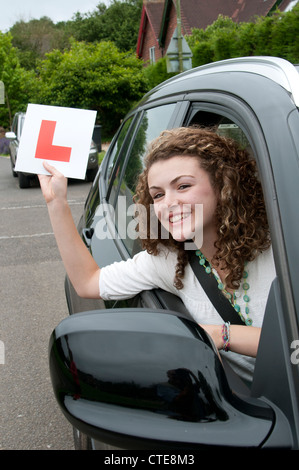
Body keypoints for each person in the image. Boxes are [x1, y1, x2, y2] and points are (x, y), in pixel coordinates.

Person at [38, 127, 276, 383]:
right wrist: (56, 204)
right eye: (158, 195)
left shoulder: (279, 249)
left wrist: (220, 336)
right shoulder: (171, 260)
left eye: (183, 186)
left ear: (223, 184)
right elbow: (87, 282)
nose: (168, 203)